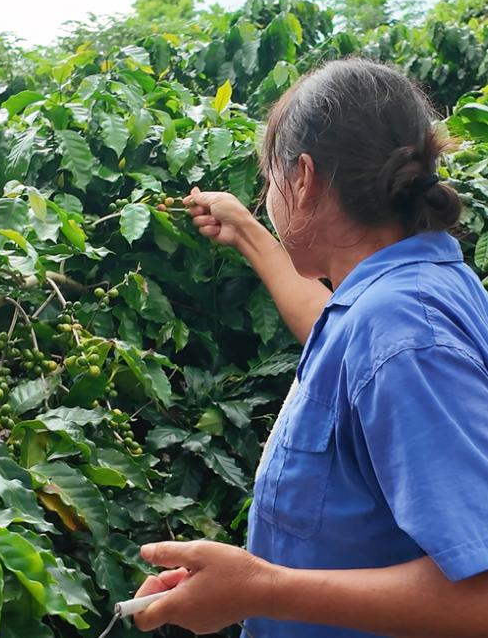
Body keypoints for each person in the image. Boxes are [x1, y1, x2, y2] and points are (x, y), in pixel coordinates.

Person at [133, 59, 488, 637]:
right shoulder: (403, 293)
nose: (267, 196)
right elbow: (346, 349)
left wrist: (262, 589)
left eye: (268, 180)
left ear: (303, 177)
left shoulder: (404, 335)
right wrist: (249, 232)